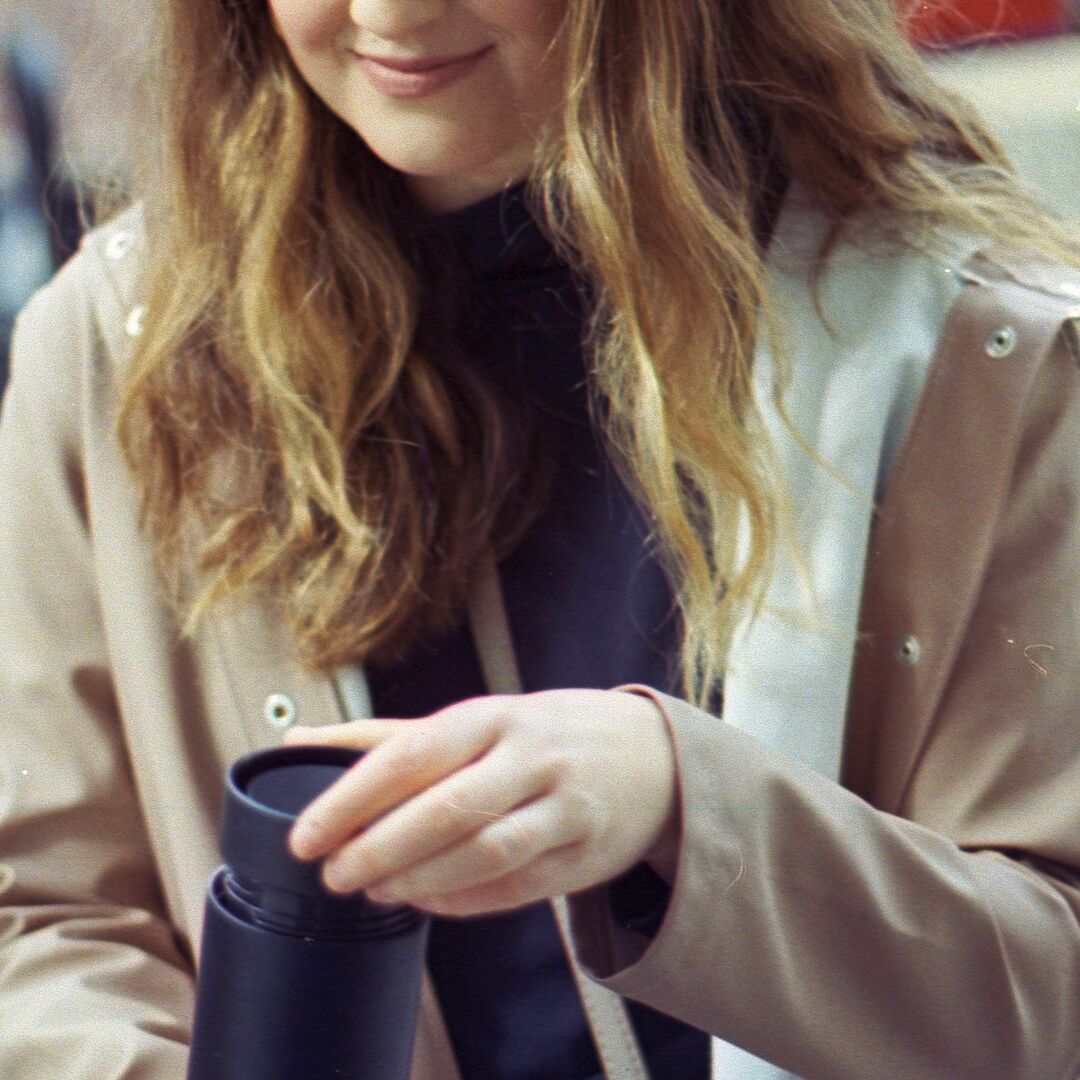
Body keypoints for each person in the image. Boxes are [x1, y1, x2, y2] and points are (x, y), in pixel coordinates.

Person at [0, 2, 1078, 1079]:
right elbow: (41, 918)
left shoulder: (987, 356)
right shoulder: (114, 347)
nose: (388, 13)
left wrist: (681, 806)